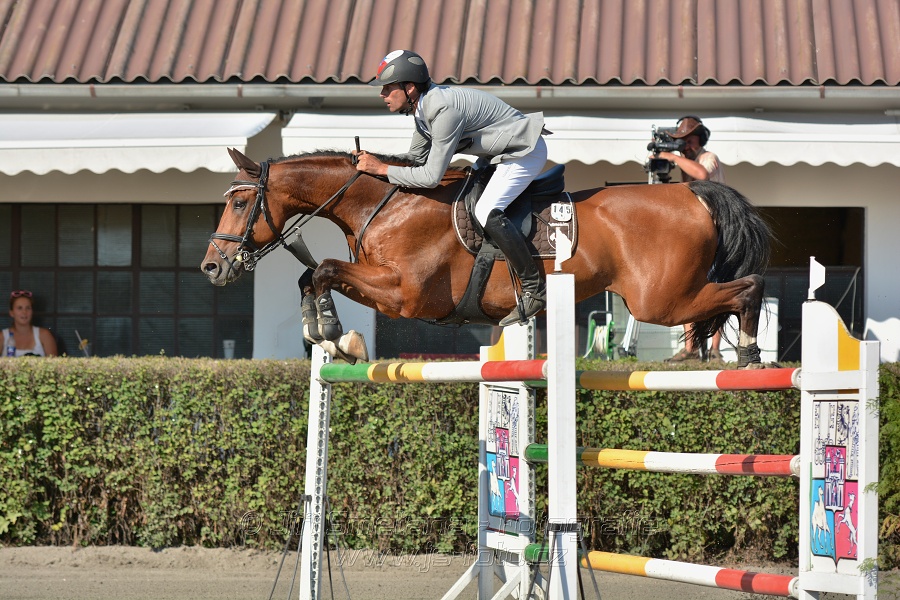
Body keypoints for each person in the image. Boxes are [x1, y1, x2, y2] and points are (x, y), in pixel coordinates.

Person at [354, 50, 550, 327]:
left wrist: (382, 169)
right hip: (496, 156)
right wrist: (373, 162)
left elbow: (431, 176)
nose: (382, 94)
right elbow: (414, 160)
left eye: (388, 88)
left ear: (409, 88)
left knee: (485, 211)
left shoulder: (442, 110)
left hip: (523, 152)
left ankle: (534, 289)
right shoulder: (422, 109)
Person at [658, 115, 724, 362]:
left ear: (700, 138)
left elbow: (701, 175)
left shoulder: (708, 157)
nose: (686, 143)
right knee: (687, 286)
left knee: (716, 288)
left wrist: (672, 157)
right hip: (697, 233)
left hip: (718, 231)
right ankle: (691, 349)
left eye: (690, 138)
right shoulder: (686, 162)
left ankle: (715, 350)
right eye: (682, 139)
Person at [4, 290, 58, 357]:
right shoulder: (2, 337)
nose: (24, 312)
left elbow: (55, 364)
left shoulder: (44, 335)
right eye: (19, 308)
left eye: (28, 308)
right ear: (11, 313)